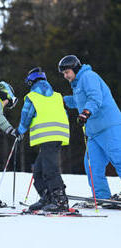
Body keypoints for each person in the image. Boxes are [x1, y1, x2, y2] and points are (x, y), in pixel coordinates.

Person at [59, 55, 121, 202]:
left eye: (67, 72)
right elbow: (77, 101)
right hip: (93, 132)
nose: (65, 76)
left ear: (74, 68)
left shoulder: (88, 76)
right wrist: (60, 100)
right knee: (92, 165)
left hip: (108, 126)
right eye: (63, 74)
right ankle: (102, 196)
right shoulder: (77, 84)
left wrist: (86, 113)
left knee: (118, 159)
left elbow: (95, 98)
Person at [12, 67, 70, 212]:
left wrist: (20, 131)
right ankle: (48, 197)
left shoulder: (32, 96)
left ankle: (60, 200)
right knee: (38, 171)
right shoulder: (57, 96)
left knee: (50, 169)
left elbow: (26, 116)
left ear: (31, 82)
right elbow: (65, 114)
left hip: (47, 135)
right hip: (58, 134)